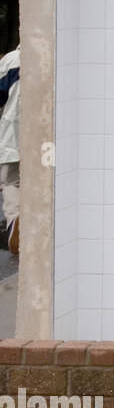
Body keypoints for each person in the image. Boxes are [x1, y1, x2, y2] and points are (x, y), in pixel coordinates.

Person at [0, 44, 18, 256]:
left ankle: (15, 219)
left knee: (11, 181)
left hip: (12, 132)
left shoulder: (10, 61)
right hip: (44, 136)